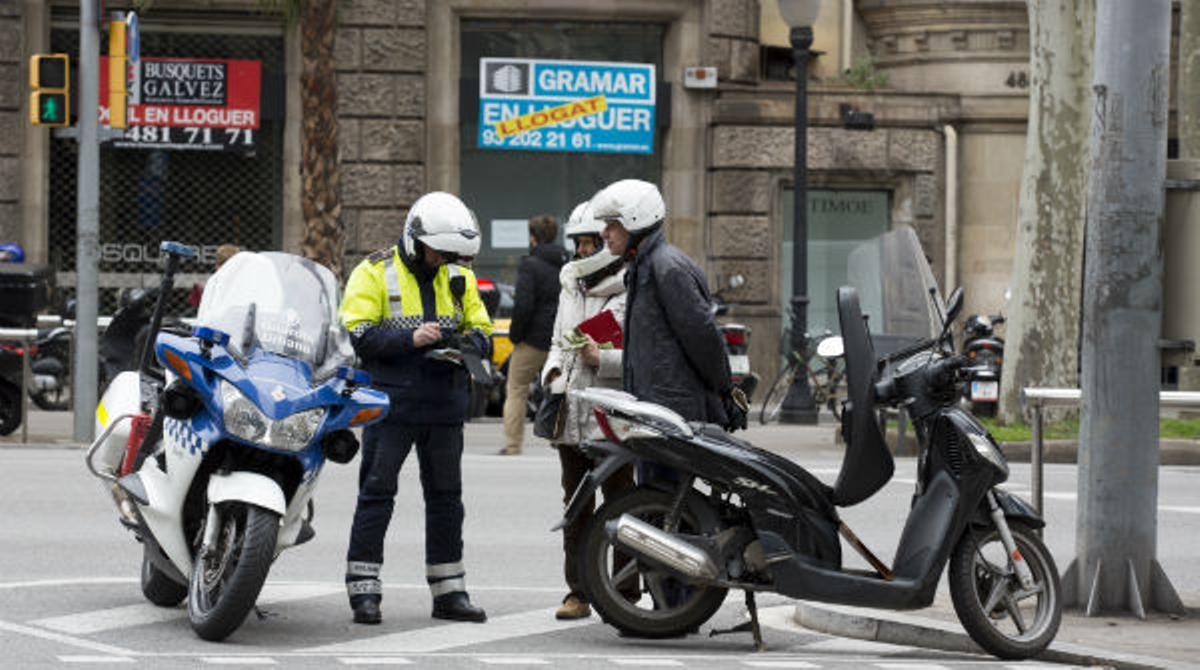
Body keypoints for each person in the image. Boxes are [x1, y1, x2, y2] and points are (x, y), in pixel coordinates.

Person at [339, 191, 493, 626]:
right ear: (415, 239)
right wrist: (411, 339)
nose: (443, 260)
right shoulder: (373, 271)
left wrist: (466, 343)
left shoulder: (457, 274)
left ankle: (450, 593)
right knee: (376, 495)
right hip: (392, 405)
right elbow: (359, 336)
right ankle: (364, 592)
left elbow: (482, 330)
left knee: (447, 500)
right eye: (437, 252)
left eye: (450, 254)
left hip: (444, 405)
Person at [592, 179, 747, 450]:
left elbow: (702, 338)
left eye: (612, 224)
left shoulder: (667, 268)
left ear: (636, 221)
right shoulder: (643, 267)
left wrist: (725, 390)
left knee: (666, 480)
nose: (604, 233)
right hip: (655, 410)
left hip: (672, 415)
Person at [541, 201, 635, 620]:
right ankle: (577, 593)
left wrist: (603, 359)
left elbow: (638, 353)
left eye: (589, 243)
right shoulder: (570, 283)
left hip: (611, 415)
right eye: (578, 243)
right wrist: (551, 372)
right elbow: (559, 341)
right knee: (576, 505)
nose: (582, 251)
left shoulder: (630, 284)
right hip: (571, 410)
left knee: (622, 504)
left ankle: (625, 593)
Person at [501, 214, 568, 455]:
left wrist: (515, 336)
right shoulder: (566, 264)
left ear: (533, 238)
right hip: (559, 338)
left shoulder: (530, 265)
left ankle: (513, 445)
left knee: (517, 389)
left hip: (532, 340)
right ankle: (563, 441)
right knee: (562, 390)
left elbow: (523, 305)